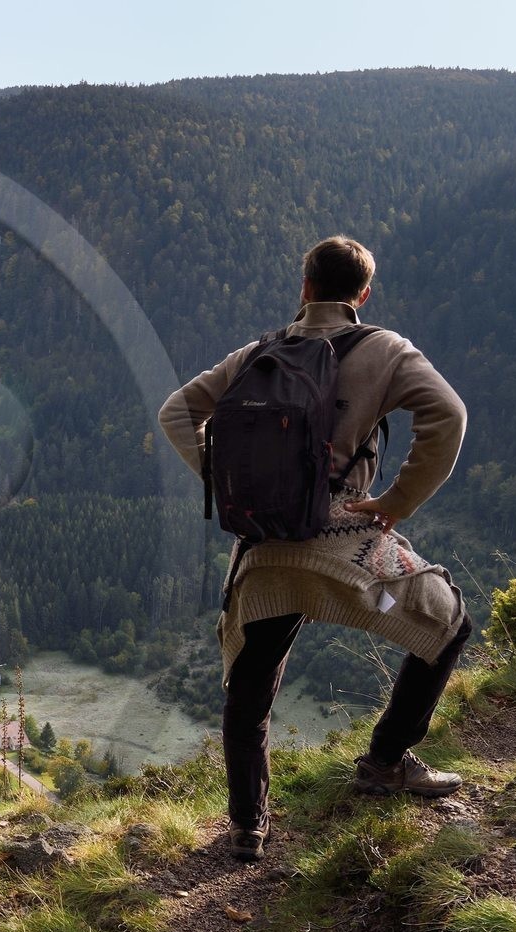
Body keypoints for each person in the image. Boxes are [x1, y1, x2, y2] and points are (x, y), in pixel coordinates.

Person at [158, 235, 472, 861]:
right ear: (363, 295)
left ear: (304, 288)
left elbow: (176, 412)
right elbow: (449, 416)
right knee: (448, 624)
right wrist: (395, 503)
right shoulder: (384, 349)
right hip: (345, 542)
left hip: (266, 548)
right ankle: (386, 761)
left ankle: (248, 826)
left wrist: (230, 483)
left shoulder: (258, 353)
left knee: (248, 691)